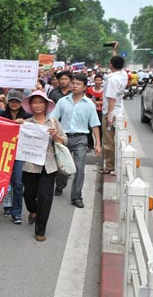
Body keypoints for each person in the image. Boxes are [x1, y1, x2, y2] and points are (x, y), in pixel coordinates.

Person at [21, 90, 67, 242]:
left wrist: (55, 135)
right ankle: (33, 211)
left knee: (45, 198)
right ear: (31, 105)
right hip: (30, 165)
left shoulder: (53, 122)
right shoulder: (26, 123)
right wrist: (16, 125)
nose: (38, 105)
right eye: (35, 102)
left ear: (46, 105)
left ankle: (40, 230)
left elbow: (64, 141)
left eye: (41, 102)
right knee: (28, 195)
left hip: (49, 165)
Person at [50, 74, 101, 208]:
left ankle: (76, 196)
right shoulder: (62, 101)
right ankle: (60, 185)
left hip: (81, 139)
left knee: (79, 168)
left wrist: (98, 144)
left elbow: (95, 125)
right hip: (64, 137)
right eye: (73, 83)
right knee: (62, 165)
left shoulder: (89, 105)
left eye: (78, 84)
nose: (74, 86)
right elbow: (53, 118)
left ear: (84, 87)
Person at [0, 89, 31, 224]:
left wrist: (25, 124)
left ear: (21, 103)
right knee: (5, 182)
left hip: (19, 154)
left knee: (17, 183)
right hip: (3, 153)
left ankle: (16, 212)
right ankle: (7, 206)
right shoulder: (2, 115)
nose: (14, 104)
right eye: (12, 101)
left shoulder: (27, 117)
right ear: (8, 102)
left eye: (17, 101)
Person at [101, 56, 127, 174]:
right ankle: (113, 164)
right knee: (115, 140)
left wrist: (109, 117)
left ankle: (110, 166)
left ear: (111, 64)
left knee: (109, 141)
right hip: (119, 110)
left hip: (110, 112)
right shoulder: (123, 75)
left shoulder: (112, 80)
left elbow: (111, 99)